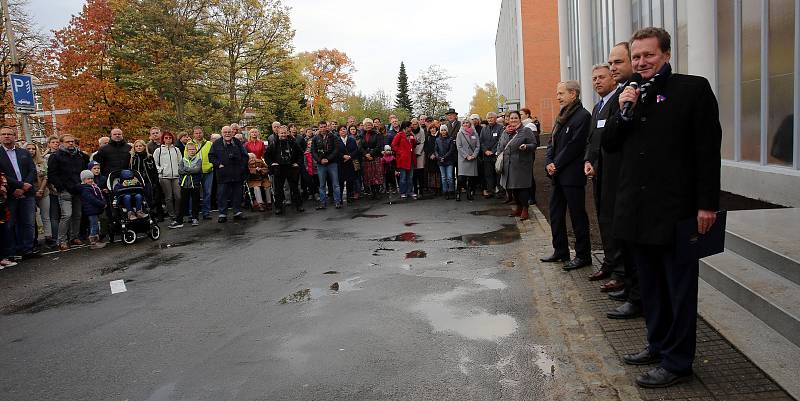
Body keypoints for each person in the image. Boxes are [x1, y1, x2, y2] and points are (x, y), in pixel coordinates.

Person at [603, 28, 722, 388]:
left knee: (679, 291)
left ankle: (678, 361)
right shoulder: (626, 96)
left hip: (677, 211)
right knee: (652, 287)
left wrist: (707, 206)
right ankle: (657, 344)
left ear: (666, 55)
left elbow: (707, 151)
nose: (641, 63)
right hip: (639, 212)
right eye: (636, 57)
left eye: (648, 56)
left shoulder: (692, 89)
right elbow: (609, 145)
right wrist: (624, 110)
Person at [602, 41, 642, 320]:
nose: (613, 68)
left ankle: (637, 295)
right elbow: (608, 140)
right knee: (625, 239)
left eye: (618, 62)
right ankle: (632, 290)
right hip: (619, 179)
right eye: (611, 63)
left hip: (641, 187)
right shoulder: (622, 97)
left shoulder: (642, 93)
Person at [584, 63, 628, 298]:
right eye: (594, 79)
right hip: (597, 173)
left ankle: (620, 272)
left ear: (612, 78)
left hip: (612, 173)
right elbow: (594, 141)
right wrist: (588, 161)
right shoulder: (597, 106)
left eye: (601, 77)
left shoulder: (618, 100)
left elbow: (613, 141)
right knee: (603, 218)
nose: (597, 81)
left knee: (614, 220)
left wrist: (598, 165)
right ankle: (609, 263)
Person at [542, 81, 592, 270]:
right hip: (557, 175)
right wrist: (548, 162)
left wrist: (557, 163)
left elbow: (575, 145)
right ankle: (560, 250)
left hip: (572, 176)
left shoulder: (582, 116)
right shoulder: (561, 116)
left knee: (577, 215)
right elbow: (551, 143)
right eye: (557, 93)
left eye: (561, 93)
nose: (558, 96)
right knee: (555, 214)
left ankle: (583, 255)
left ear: (574, 93)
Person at [47, 134, 90, 251]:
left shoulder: (80, 155)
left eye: (72, 141)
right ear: (61, 143)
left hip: (78, 189)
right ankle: (62, 240)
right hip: (64, 190)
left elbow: (84, 171)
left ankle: (74, 237)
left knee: (77, 215)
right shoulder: (55, 156)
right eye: (67, 142)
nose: (71, 143)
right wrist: (60, 187)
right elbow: (52, 174)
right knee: (67, 215)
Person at [0, 127, 37, 259]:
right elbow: (2, 175)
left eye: (9, 134)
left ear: (14, 136)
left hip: (27, 193)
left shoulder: (23, 152)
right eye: (3, 134)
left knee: (28, 222)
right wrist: (18, 186)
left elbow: (32, 170)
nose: (6, 136)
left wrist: (25, 186)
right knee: (10, 224)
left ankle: (27, 249)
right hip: (10, 194)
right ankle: (11, 252)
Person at [497, 111, 538, 220]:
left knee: (522, 188)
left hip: (521, 164)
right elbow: (500, 145)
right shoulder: (505, 132)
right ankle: (518, 208)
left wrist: (526, 146)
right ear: (508, 120)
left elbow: (534, 144)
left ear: (520, 119)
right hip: (508, 165)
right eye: (511, 118)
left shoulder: (526, 131)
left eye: (516, 118)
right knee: (513, 189)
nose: (513, 120)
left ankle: (525, 209)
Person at [209, 125, 249, 222]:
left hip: (237, 173)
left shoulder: (237, 142)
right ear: (222, 133)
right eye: (225, 132)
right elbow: (211, 156)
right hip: (223, 174)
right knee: (222, 194)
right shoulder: (216, 143)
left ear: (232, 133)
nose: (227, 134)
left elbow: (245, 156)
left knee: (237, 194)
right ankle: (222, 214)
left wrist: (242, 167)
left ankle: (237, 212)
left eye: (229, 132)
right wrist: (218, 164)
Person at [265, 126, 304, 215]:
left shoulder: (293, 142)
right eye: (281, 133)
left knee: (295, 188)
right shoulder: (274, 143)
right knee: (278, 189)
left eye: (284, 133)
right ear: (278, 134)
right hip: (279, 169)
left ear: (287, 133)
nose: (283, 135)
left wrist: (298, 163)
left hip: (291, 168)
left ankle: (299, 205)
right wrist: (272, 164)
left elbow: (300, 153)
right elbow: (267, 155)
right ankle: (278, 207)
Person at [311, 121, 342, 209]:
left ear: (327, 127)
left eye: (324, 127)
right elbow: (313, 151)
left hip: (332, 163)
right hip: (321, 164)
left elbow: (336, 150)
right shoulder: (315, 138)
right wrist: (320, 160)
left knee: (335, 184)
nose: (323, 128)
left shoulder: (333, 137)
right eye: (321, 127)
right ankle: (322, 202)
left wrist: (328, 159)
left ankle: (337, 201)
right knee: (322, 185)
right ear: (319, 128)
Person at [26, 142, 53, 247]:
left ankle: (48, 236)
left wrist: (41, 190)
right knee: (31, 217)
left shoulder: (42, 162)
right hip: (30, 192)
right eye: (29, 149)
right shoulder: (23, 162)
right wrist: (34, 191)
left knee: (46, 216)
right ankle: (33, 239)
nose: (31, 151)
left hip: (43, 191)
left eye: (33, 149)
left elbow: (46, 176)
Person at [153, 132, 182, 225]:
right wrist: (160, 170)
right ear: (163, 139)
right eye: (166, 137)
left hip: (176, 176)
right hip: (164, 177)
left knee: (178, 196)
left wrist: (179, 171)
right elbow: (155, 163)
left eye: (170, 137)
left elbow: (180, 161)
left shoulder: (176, 150)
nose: (168, 139)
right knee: (168, 197)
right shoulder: (158, 150)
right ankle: (172, 216)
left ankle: (177, 215)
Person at [173, 142, 202, 228]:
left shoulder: (198, 160)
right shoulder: (183, 160)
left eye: (193, 149)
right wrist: (191, 170)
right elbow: (180, 171)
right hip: (184, 184)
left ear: (196, 150)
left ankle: (195, 218)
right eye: (190, 149)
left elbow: (197, 170)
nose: (192, 151)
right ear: (187, 150)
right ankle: (179, 220)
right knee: (182, 203)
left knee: (195, 202)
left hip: (195, 184)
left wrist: (187, 170)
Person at [189, 127, 214, 220]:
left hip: (208, 171)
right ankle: (192, 214)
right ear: (193, 134)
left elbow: (213, 155)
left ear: (203, 133)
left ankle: (206, 213)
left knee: (207, 193)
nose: (198, 135)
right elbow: (185, 158)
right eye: (196, 133)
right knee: (194, 193)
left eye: (200, 133)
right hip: (194, 173)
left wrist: (211, 165)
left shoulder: (209, 144)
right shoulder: (189, 144)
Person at [129, 139, 159, 216]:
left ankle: (152, 214)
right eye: (137, 146)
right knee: (140, 198)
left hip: (148, 181)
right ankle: (141, 213)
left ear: (144, 147)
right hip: (137, 183)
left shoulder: (149, 157)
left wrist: (155, 181)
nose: (139, 147)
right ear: (134, 148)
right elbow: (130, 171)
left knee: (150, 198)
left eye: (140, 146)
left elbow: (154, 171)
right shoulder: (132, 158)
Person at [78, 170, 106, 249]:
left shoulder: (93, 187)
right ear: (83, 180)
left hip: (94, 209)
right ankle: (93, 242)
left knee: (95, 225)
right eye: (88, 179)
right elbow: (92, 199)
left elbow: (99, 195)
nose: (90, 180)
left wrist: (103, 201)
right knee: (94, 225)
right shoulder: (85, 189)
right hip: (91, 210)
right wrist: (102, 203)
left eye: (91, 178)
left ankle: (96, 241)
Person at [455, 118, 480, 201]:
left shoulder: (474, 133)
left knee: (471, 178)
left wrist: (474, 155)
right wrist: (466, 156)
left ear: (470, 124)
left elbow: (478, 146)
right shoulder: (459, 133)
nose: (465, 124)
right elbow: (459, 146)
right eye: (464, 123)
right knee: (461, 178)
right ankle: (458, 192)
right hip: (463, 159)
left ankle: (469, 193)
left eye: (467, 123)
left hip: (473, 158)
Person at [480, 112, 503, 198]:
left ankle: (499, 191)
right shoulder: (484, 129)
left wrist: (493, 151)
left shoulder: (500, 128)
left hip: (496, 155)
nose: (490, 119)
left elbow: (500, 141)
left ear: (495, 118)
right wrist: (485, 150)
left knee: (498, 173)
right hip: (486, 155)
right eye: (488, 118)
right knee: (488, 174)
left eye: (492, 118)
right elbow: (481, 141)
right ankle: (490, 191)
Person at [359, 118, 384, 199]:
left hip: (375, 156)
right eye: (366, 125)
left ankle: (377, 192)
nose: (368, 126)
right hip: (366, 158)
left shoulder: (377, 134)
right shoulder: (361, 135)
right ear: (364, 126)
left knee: (376, 175)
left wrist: (371, 154)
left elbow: (379, 146)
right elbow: (360, 147)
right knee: (369, 176)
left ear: (372, 125)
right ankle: (372, 192)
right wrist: (366, 154)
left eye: (369, 124)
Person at [391, 121, 416, 200]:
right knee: (403, 177)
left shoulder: (411, 135)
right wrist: (400, 152)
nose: (411, 128)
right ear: (406, 127)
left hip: (410, 159)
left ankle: (410, 191)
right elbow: (393, 145)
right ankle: (403, 192)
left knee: (410, 177)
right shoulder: (399, 135)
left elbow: (414, 145)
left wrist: (413, 140)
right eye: (409, 127)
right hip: (402, 159)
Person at [336, 125, 361, 202]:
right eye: (341, 130)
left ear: (347, 131)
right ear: (338, 132)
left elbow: (356, 150)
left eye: (344, 129)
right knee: (341, 181)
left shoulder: (351, 140)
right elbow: (336, 151)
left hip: (350, 162)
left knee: (350, 181)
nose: (343, 131)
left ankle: (349, 196)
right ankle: (339, 198)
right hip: (341, 163)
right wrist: (343, 156)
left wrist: (349, 156)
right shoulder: (336, 140)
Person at [435, 124, 457, 199]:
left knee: (450, 177)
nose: (443, 131)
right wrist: (438, 157)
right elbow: (436, 150)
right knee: (443, 177)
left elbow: (451, 150)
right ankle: (445, 191)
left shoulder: (450, 139)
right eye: (442, 130)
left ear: (447, 131)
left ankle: (451, 190)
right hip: (440, 161)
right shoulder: (437, 139)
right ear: (440, 131)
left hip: (449, 161)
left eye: (444, 130)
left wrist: (444, 157)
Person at [0, 171, 15, 268]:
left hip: (2, 207)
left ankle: (3, 258)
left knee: (3, 231)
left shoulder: (2, 175)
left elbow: (7, 187)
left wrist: (4, 188)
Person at [424, 121, 441, 196]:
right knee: (431, 173)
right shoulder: (427, 137)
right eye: (431, 128)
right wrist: (430, 154)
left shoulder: (439, 136)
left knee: (438, 173)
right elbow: (426, 147)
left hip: (437, 157)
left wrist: (436, 154)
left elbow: (440, 147)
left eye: (434, 128)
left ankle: (439, 188)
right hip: (430, 158)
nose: (432, 129)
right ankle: (432, 188)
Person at [411, 118, 426, 197]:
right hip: (412, 152)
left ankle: (422, 189)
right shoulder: (410, 131)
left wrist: (418, 152)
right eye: (413, 124)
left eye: (416, 124)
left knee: (420, 172)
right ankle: (415, 190)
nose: (414, 126)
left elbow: (423, 142)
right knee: (414, 173)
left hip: (420, 152)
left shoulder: (421, 131)